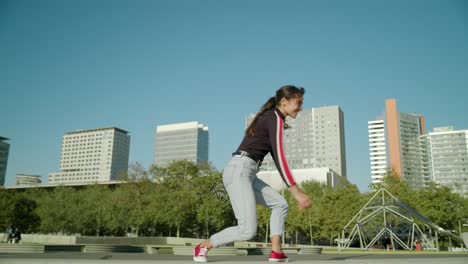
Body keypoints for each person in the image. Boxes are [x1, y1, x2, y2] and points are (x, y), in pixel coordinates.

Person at [193, 85, 313, 263]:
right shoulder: (274, 118)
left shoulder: (273, 118)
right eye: (298, 103)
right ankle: (203, 246)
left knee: (280, 204)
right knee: (247, 230)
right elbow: (279, 156)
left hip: (246, 172)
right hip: (239, 170)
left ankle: (276, 251)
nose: (301, 107)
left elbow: (274, 153)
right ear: (284, 102)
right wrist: (296, 191)